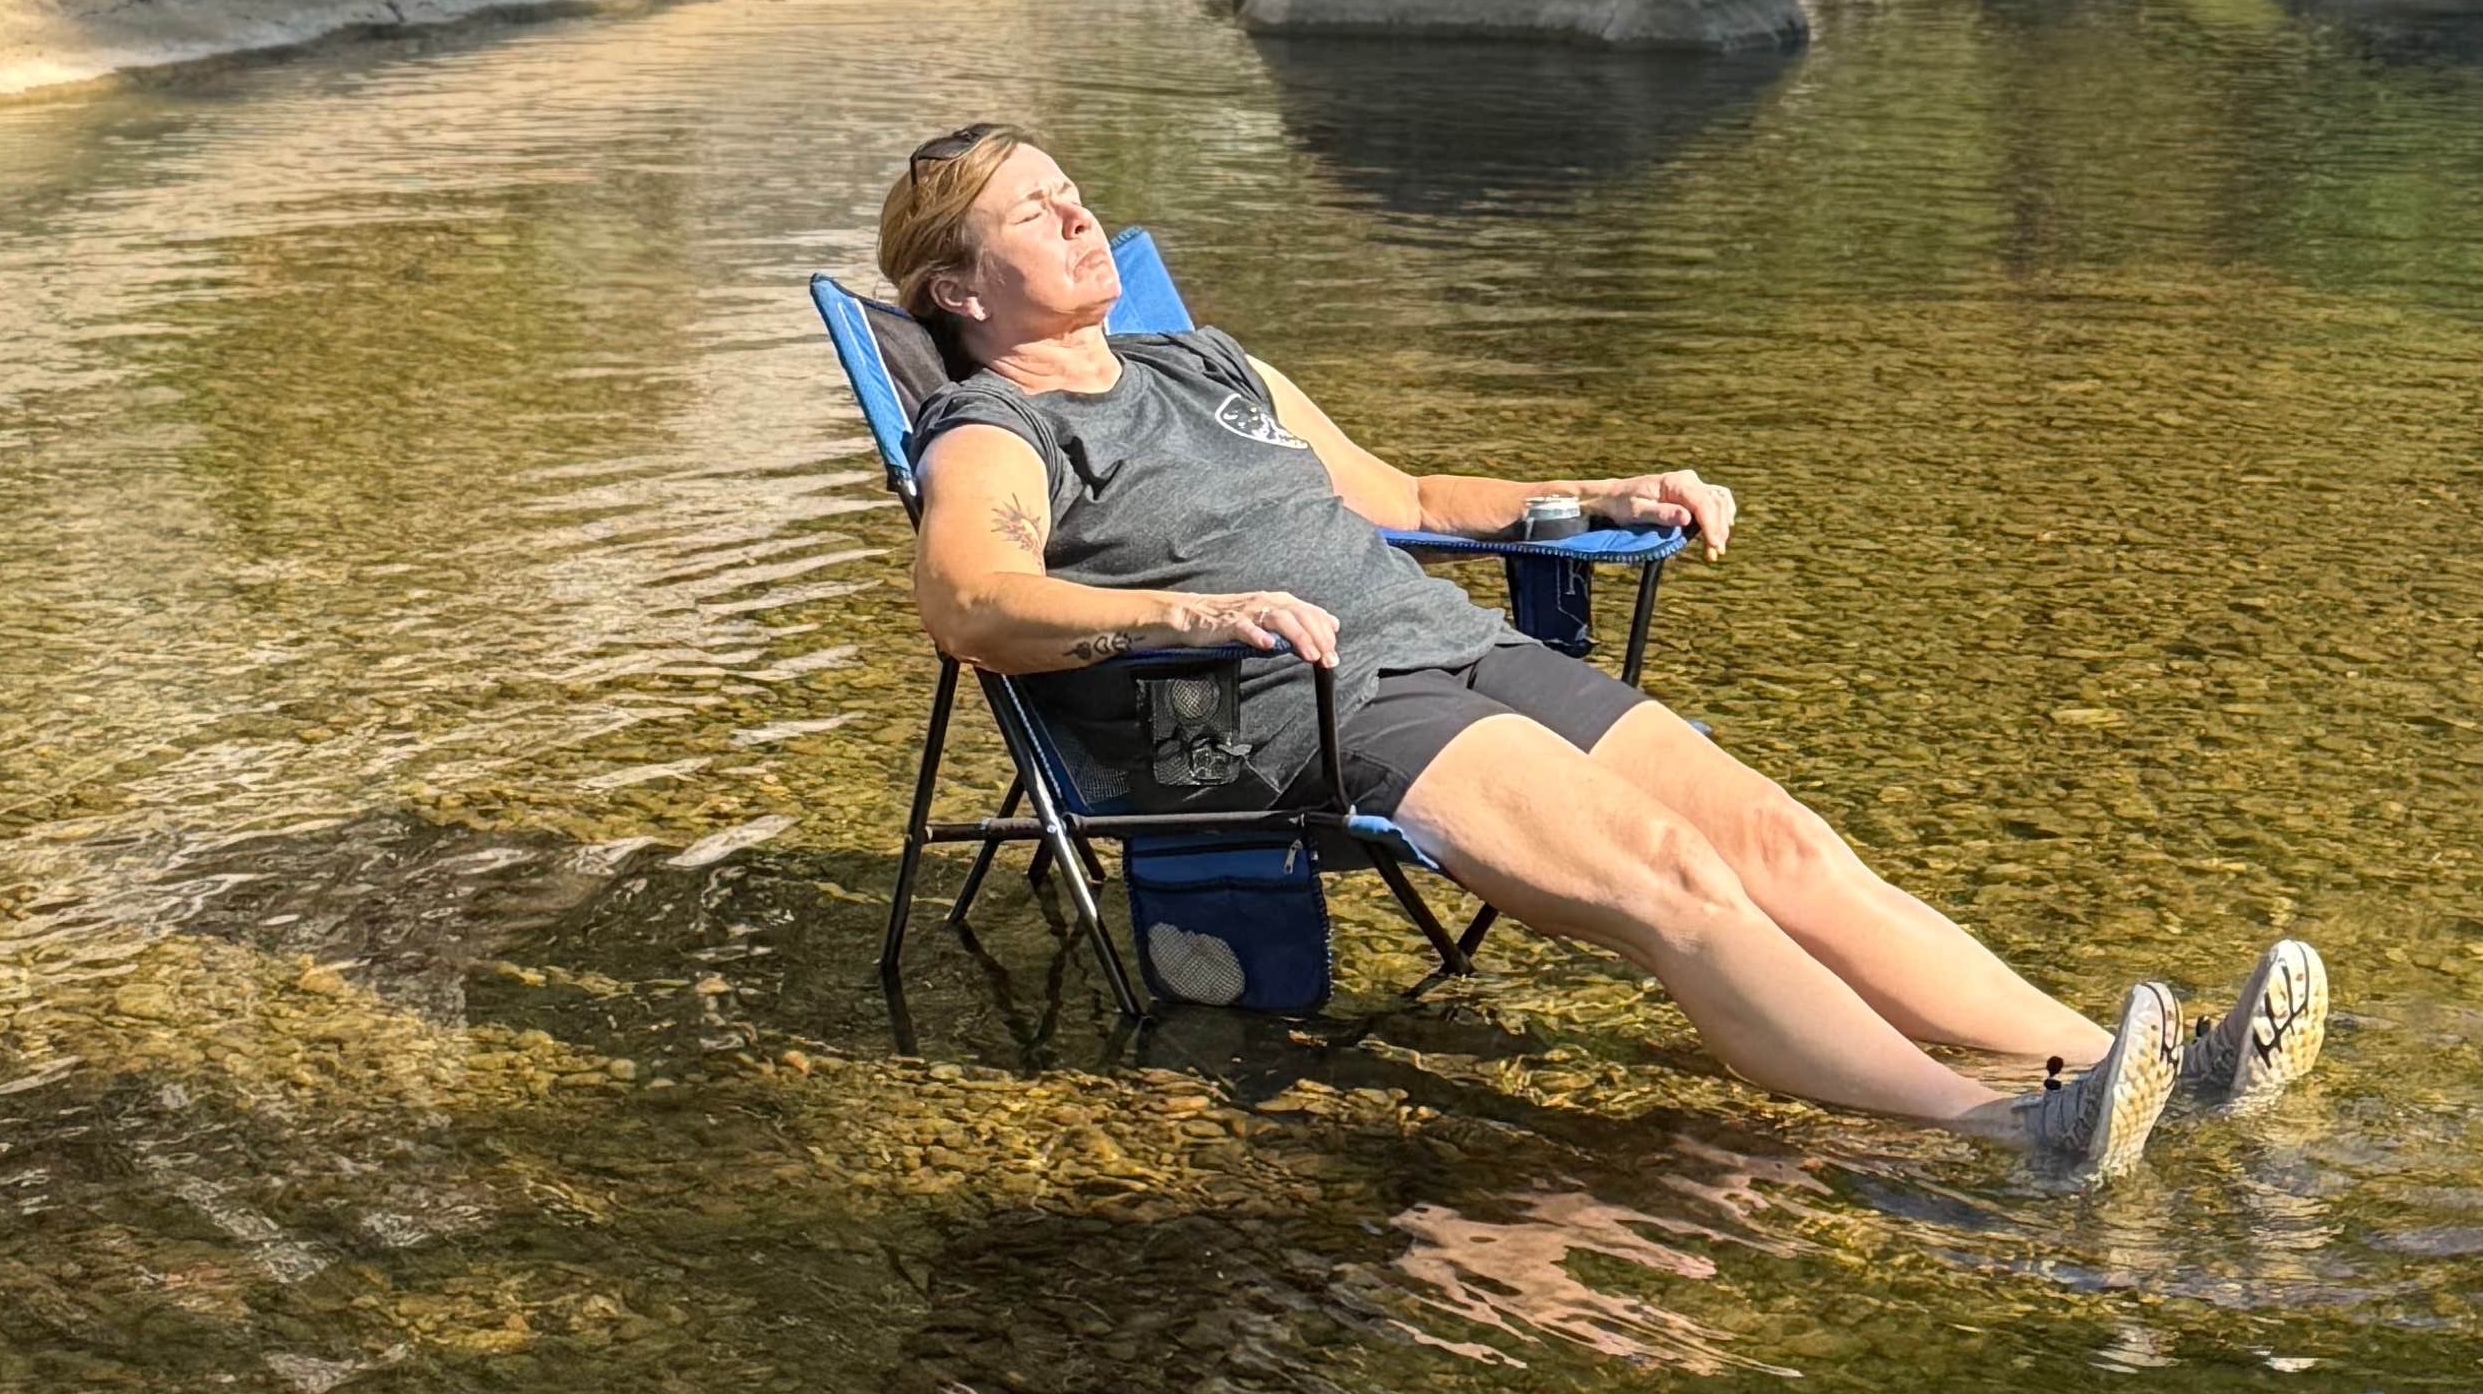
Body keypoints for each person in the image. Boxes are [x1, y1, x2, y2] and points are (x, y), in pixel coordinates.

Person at [875, 120, 2323, 1186]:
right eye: (1036, 211)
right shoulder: (1002, 427)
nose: (1081, 220)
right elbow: (973, 599)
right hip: (1305, 705)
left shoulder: (1208, 362)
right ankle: (2005, 1130)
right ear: (956, 287)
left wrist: (1607, 492)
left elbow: (1414, 502)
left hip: (1446, 642)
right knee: (1669, 881)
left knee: (1782, 842)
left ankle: (2130, 1069)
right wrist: (1190, 613)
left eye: (1077, 194)